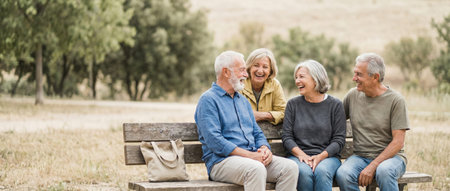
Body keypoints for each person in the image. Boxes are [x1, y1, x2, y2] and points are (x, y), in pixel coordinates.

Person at [194, 50, 299, 191]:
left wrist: (264, 148)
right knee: (255, 169)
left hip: (250, 159)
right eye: (242, 70)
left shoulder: (242, 101)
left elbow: (256, 132)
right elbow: (215, 141)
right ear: (226, 72)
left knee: (289, 168)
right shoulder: (208, 100)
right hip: (221, 162)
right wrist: (250, 156)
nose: (246, 74)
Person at [335, 53, 409, 191]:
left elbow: (398, 142)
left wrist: (373, 165)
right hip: (360, 157)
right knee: (343, 174)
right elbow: (333, 119)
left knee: (384, 172)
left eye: (359, 74)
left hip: (392, 159)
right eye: (354, 73)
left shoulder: (396, 101)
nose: (354, 78)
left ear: (375, 77)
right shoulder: (352, 96)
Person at [282, 60, 347, 191]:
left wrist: (321, 156)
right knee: (304, 173)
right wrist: (302, 155)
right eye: (296, 77)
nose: (297, 81)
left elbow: (339, 139)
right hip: (298, 157)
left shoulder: (335, 105)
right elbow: (287, 137)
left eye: (301, 76)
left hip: (328, 158)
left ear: (316, 79)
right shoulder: (293, 105)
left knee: (322, 172)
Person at [241, 48, 286, 125]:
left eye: (265, 67)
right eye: (256, 65)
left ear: (270, 71)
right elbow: (234, 112)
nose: (260, 71)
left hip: (268, 136)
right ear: (249, 67)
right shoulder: (240, 84)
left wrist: (263, 115)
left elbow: (284, 112)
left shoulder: (275, 85)